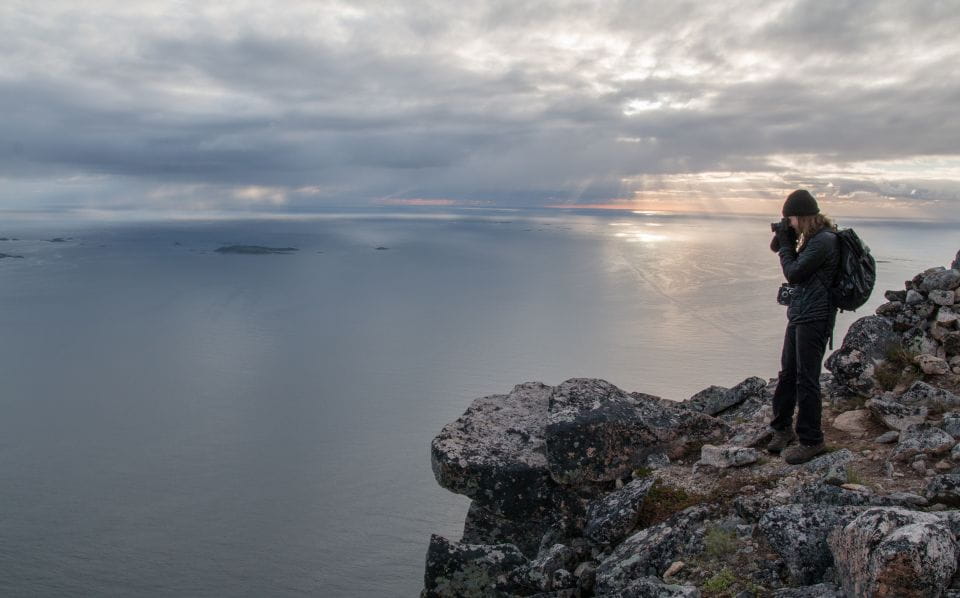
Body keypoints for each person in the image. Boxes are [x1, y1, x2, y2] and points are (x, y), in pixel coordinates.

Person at [767, 189, 840, 464]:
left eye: (791, 219)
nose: (790, 224)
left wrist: (787, 243)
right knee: (788, 374)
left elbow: (794, 273)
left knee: (807, 379)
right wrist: (785, 239)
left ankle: (812, 440)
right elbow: (781, 251)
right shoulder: (810, 240)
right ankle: (782, 429)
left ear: (801, 217)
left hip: (816, 318)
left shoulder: (824, 241)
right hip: (800, 314)